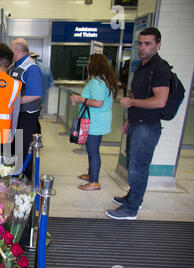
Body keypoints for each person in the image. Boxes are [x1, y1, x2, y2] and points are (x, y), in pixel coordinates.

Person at [106, 27, 171, 220]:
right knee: (133, 163)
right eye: (140, 43)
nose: (142, 47)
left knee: (138, 166)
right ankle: (133, 197)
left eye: (147, 43)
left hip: (147, 126)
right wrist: (128, 119)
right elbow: (140, 94)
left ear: (158, 45)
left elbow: (160, 101)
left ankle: (131, 209)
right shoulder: (143, 66)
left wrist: (132, 102)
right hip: (137, 123)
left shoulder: (160, 68)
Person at [70, 54, 119, 191]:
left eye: (89, 62)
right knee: (93, 149)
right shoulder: (104, 80)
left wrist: (79, 99)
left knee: (93, 151)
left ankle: (94, 182)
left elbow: (98, 103)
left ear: (95, 64)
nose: (88, 65)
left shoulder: (97, 82)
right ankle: (91, 174)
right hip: (99, 120)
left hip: (95, 122)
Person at [9, 38, 43, 180]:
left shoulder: (31, 68)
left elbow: (35, 94)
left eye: (12, 50)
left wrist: (13, 102)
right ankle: (16, 172)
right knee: (16, 146)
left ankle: (26, 176)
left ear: (17, 50)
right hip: (17, 114)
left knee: (24, 147)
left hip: (27, 116)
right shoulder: (16, 66)